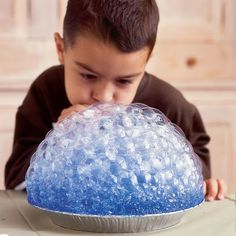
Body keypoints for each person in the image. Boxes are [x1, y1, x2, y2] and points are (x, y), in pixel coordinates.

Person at [5, 0, 226, 201]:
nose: (104, 96)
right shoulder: (46, 91)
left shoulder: (168, 105)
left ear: (146, 60)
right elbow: (14, 181)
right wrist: (60, 140)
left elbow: (195, 166)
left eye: (124, 81)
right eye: (88, 76)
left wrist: (203, 184)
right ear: (62, 50)